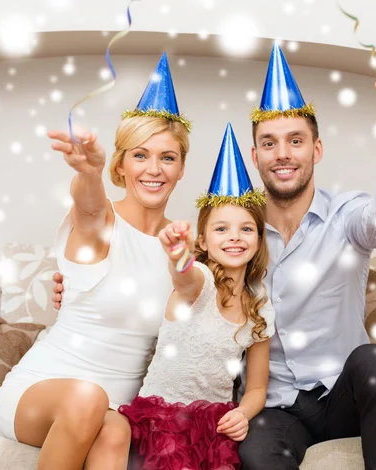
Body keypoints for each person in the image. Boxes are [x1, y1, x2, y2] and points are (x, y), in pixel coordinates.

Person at [235, 43, 376, 469]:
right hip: (277, 407)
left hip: (342, 397)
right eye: (269, 143)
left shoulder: (347, 216)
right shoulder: (235, 235)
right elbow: (185, 280)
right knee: (253, 453)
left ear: (316, 151)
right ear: (255, 157)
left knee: (375, 359)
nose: (282, 153)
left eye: (295, 141)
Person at [0, 53, 190, 470]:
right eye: (140, 155)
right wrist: (89, 174)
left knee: (116, 429)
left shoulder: (184, 243)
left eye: (167, 157)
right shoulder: (102, 220)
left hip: (113, 406)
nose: (153, 169)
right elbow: (88, 209)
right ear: (120, 164)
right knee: (88, 397)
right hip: (43, 391)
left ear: (181, 169)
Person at [117, 123, 275, 470]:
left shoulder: (261, 308)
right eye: (222, 229)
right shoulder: (200, 282)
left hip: (212, 423)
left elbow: (257, 387)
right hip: (161, 418)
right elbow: (184, 277)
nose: (235, 237)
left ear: (259, 240)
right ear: (203, 241)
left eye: (246, 228)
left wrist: (243, 414)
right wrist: (178, 255)